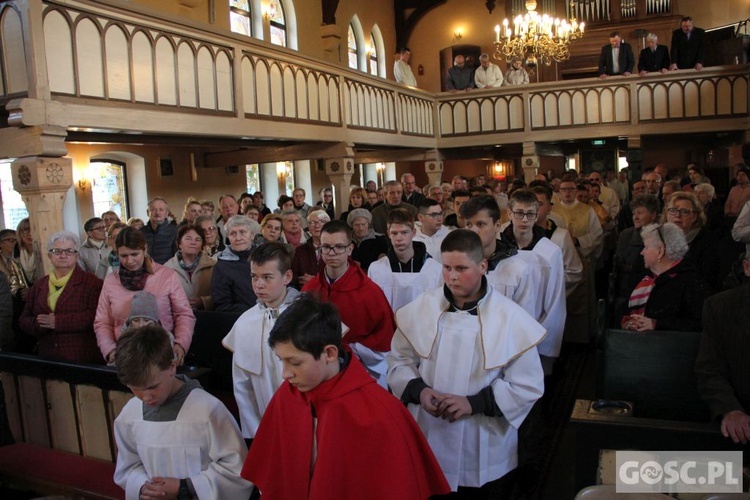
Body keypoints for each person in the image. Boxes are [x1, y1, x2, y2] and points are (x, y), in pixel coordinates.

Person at [241, 294, 450, 498]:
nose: (285, 373)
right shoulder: (287, 396)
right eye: (281, 360)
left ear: (330, 354)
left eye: (295, 363)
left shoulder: (380, 412)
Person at [388, 229, 545, 495]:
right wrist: (419, 391)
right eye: (447, 267)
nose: (452, 276)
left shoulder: (510, 318)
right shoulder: (421, 309)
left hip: (483, 441)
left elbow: (527, 386)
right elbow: (399, 361)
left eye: (461, 268)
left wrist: (473, 403)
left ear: (483, 266)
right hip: (429, 430)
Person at [113, 325, 252, 500]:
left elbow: (237, 470)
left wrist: (186, 487)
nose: (146, 397)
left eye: (153, 387)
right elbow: (128, 465)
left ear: (172, 366)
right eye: (135, 389)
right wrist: (141, 486)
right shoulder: (130, 414)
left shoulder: (207, 410)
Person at [222, 242, 300, 442]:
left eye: (267, 277)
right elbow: (242, 385)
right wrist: (257, 434)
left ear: (287, 277)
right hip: (265, 426)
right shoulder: (245, 322)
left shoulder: (308, 315)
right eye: (254, 277)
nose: (259, 284)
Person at [301, 220, 395, 386]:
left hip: (360, 372)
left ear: (350, 249)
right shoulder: (310, 289)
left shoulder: (370, 292)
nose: (332, 253)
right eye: (326, 247)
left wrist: (349, 350)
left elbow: (384, 342)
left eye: (339, 247)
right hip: (319, 373)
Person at [94, 227, 194, 365]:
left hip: (161, 351)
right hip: (124, 354)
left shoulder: (167, 276)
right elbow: (103, 321)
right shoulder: (111, 280)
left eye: (135, 254)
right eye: (123, 256)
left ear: (145, 249)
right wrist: (110, 350)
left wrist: (180, 343)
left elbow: (184, 314)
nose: (129, 261)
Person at [502, 189, 566, 375]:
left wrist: (544, 341)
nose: (524, 219)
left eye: (530, 214)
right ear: (509, 213)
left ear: (537, 215)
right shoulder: (497, 248)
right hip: (503, 332)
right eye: (519, 213)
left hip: (537, 329)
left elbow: (555, 301)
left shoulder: (549, 252)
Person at [19, 231, 103, 364]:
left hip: (82, 357)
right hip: (48, 356)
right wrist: (39, 324)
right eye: (57, 251)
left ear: (77, 255)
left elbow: (96, 316)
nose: (63, 255)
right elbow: (24, 319)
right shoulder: (39, 285)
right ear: (49, 256)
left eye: (69, 251)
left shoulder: (91, 283)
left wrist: (58, 322)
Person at [695, 245, 750, 444]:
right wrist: (730, 409)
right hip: (741, 418)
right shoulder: (721, 307)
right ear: (747, 267)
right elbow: (709, 369)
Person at [622, 223, 711, 332]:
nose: (642, 252)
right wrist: (628, 323)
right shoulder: (644, 278)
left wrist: (657, 324)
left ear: (660, 251)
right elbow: (623, 312)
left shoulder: (691, 282)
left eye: (646, 247)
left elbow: (701, 325)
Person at [461, 195, 536, 314]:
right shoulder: (455, 267)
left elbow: (525, 320)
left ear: (497, 225)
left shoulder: (518, 269)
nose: (473, 231)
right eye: (469, 225)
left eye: (480, 224)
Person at [368, 209, 442, 312]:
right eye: (394, 233)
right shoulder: (376, 269)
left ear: (413, 232)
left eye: (404, 232)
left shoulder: (434, 269)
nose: (399, 238)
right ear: (388, 234)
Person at [611, 194, 660, 323]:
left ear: (653, 215)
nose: (635, 217)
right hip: (623, 289)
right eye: (634, 213)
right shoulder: (626, 234)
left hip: (646, 291)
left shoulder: (660, 236)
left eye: (640, 213)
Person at [665, 192, 720, 291]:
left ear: (694, 217)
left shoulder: (707, 243)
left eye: (684, 212)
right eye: (672, 210)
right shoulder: (657, 238)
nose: (677, 215)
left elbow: (707, 280)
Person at [211, 215, 258, 313]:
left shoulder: (265, 258)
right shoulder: (222, 267)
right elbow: (222, 305)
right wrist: (256, 312)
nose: (238, 238)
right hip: (241, 319)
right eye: (233, 233)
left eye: (242, 232)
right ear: (228, 237)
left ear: (252, 235)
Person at [164, 224, 215, 311]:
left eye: (197, 239)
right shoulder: (167, 268)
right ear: (179, 243)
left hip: (207, 316)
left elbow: (222, 295)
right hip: (177, 316)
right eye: (188, 239)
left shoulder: (213, 266)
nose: (193, 242)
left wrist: (204, 302)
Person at [291, 208, 330, 288]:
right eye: (312, 222)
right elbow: (293, 276)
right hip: (306, 293)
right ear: (308, 226)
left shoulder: (336, 248)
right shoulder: (300, 250)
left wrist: (315, 281)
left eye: (322, 222)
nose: (317, 225)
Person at [348, 208, 388, 272]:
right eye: (357, 225)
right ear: (352, 226)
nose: (360, 228)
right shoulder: (347, 240)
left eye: (363, 224)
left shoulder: (380, 239)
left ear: (368, 224)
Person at [140, 197, 177, 265]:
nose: (157, 212)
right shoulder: (140, 233)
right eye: (153, 209)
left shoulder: (175, 232)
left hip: (168, 271)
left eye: (161, 209)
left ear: (166, 213)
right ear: (148, 213)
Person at [414, 198, 452, 263]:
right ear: (420, 217)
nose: (439, 219)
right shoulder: (412, 237)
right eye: (434, 215)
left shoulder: (450, 236)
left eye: (440, 214)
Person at [14, 218, 44, 287]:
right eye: (25, 230)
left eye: (32, 230)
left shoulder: (43, 250)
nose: (30, 234)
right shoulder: (16, 251)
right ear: (20, 234)